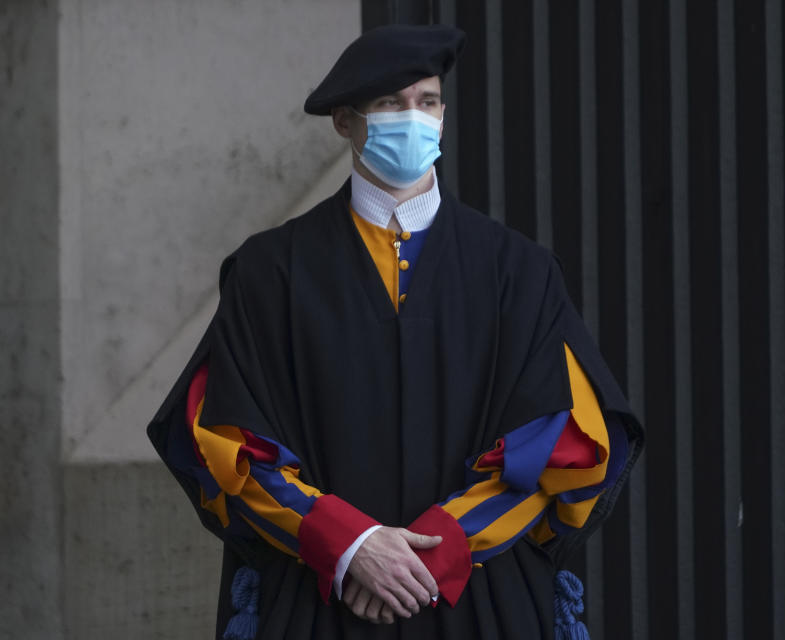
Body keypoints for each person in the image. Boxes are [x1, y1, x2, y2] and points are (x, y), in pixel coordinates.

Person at [148, 23, 642, 640]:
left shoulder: (518, 271)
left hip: (481, 603)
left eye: (427, 102)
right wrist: (350, 545)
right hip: (316, 601)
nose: (413, 119)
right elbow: (227, 443)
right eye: (389, 104)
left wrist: (430, 557)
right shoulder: (269, 272)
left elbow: (556, 444)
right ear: (344, 122)